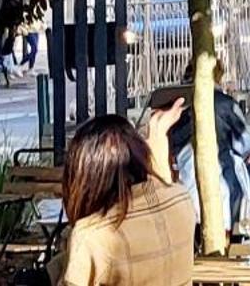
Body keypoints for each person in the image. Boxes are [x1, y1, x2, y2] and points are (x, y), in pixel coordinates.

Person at [53, 99, 193, 286]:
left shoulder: (91, 236)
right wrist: (158, 135)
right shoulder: (181, 200)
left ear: (84, 176)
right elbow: (158, 185)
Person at [167, 61, 250, 229]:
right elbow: (244, 142)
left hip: (184, 183)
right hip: (223, 182)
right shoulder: (226, 104)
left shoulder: (176, 105)